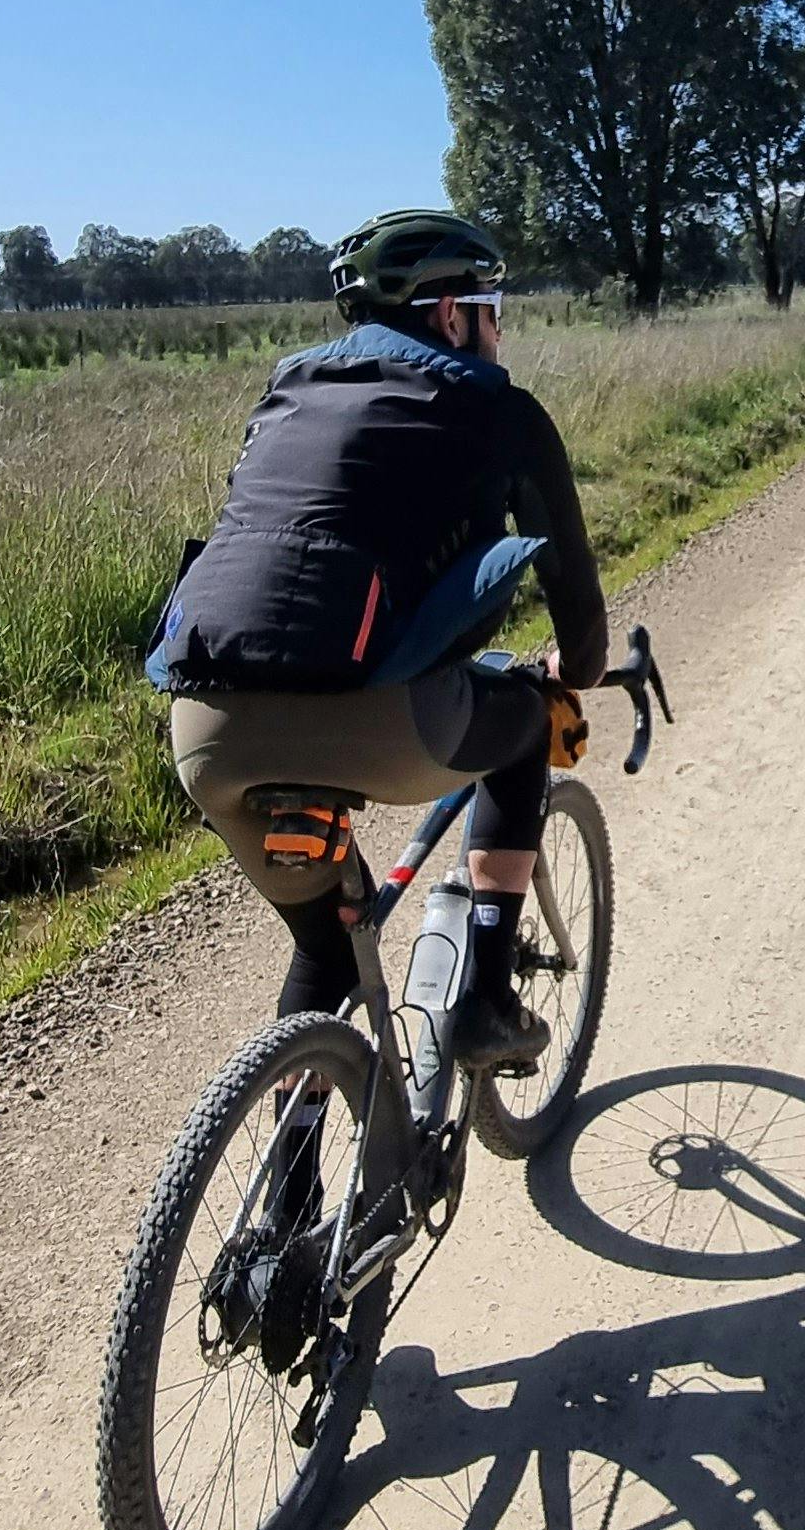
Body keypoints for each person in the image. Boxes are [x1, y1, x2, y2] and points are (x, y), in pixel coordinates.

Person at [151, 210, 607, 1073]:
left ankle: (290, 1192)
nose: (500, 329)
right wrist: (571, 674)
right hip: (388, 719)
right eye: (494, 307)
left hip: (205, 729)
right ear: (450, 313)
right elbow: (578, 611)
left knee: (326, 947)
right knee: (519, 733)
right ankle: (483, 1001)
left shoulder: (286, 391)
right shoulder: (502, 411)